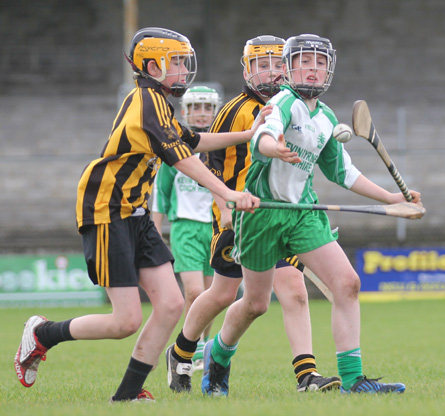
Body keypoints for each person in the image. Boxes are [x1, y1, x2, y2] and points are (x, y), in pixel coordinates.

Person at [13, 27, 262, 403]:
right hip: (106, 208)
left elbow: (193, 140)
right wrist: (227, 193)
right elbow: (182, 158)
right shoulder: (144, 102)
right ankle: (42, 334)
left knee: (172, 304)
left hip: (135, 210)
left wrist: (247, 136)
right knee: (124, 321)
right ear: (152, 66)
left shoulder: (160, 104)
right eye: (175, 63)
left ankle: (128, 394)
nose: (182, 70)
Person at [201, 33, 422, 396]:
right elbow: (262, 138)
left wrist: (393, 198)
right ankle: (218, 357)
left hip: (303, 213)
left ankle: (354, 380)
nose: (313, 69)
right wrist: (276, 149)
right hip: (261, 216)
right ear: (288, 67)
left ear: (329, 69)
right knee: (256, 304)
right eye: (305, 61)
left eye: (320, 62)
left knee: (347, 284)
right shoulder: (282, 103)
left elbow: (344, 173)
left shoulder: (326, 118)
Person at [165, 35, 341, 396]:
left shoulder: (292, 105)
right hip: (237, 217)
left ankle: (306, 375)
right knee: (229, 296)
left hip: (279, 217)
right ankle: (182, 352)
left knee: (294, 289)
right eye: (262, 65)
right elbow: (209, 166)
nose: (272, 73)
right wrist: (225, 206)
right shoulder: (235, 111)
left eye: (278, 65)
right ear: (247, 69)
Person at [152, 86, 222, 371]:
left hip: (216, 228)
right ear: (184, 112)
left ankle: (201, 348)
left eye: (207, 107)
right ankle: (188, 349)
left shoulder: (222, 148)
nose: (201, 113)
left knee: (212, 295)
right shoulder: (174, 149)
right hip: (185, 229)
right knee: (194, 293)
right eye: (196, 107)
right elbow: (159, 195)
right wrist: (155, 235)